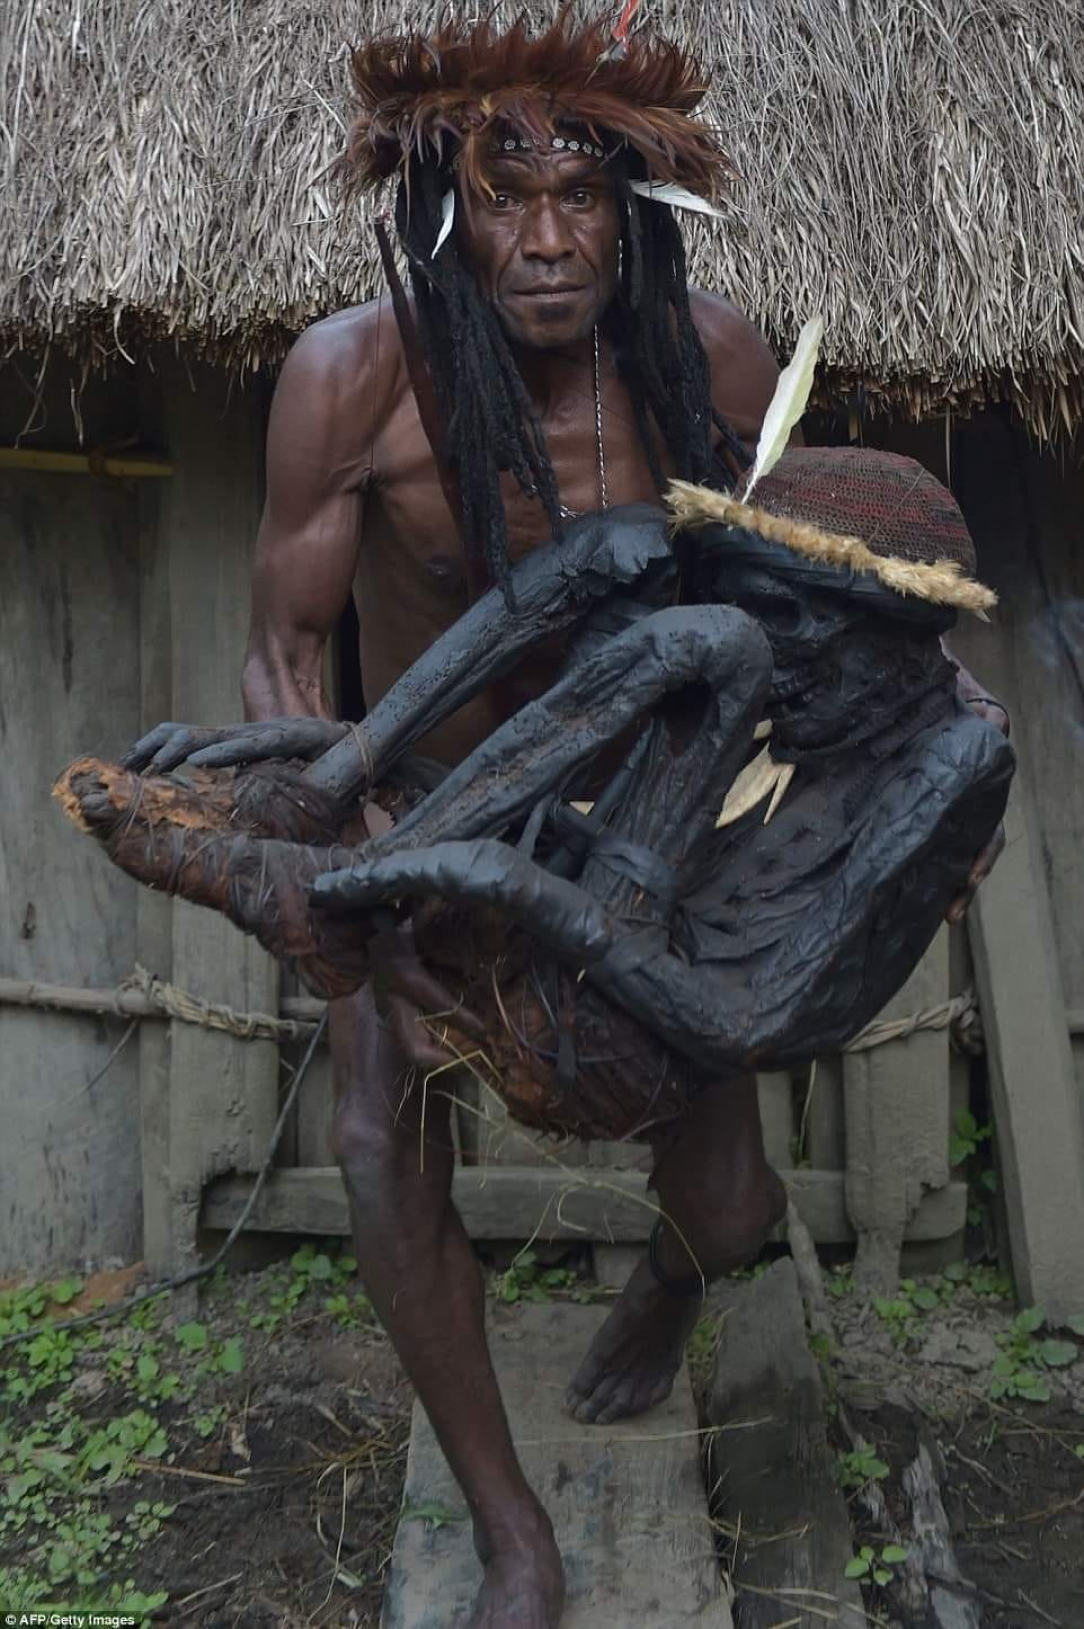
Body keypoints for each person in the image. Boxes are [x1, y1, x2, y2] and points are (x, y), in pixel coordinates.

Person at [110, 17, 1008, 1625]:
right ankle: (514, 1531)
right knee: (386, 1147)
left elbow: (806, 605)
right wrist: (341, 846)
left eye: (579, 197)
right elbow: (289, 649)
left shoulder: (712, 363)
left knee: (734, 1213)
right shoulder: (354, 378)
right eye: (503, 193)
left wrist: (916, 795)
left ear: (635, 205)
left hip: (656, 814)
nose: (543, 240)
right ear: (442, 202)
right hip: (431, 804)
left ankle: (669, 1288)